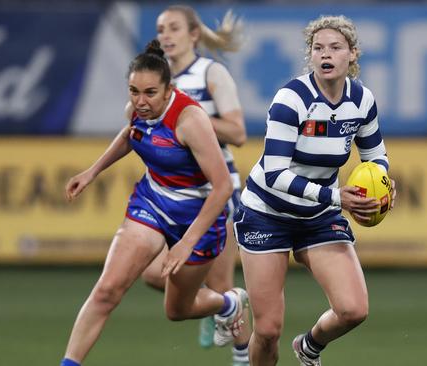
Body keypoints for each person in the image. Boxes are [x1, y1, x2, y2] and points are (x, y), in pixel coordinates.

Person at [59, 40, 250, 366]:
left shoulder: (190, 120)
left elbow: (221, 189)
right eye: (134, 91)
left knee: (177, 311)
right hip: (152, 204)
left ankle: (228, 304)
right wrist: (93, 171)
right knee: (106, 291)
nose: (140, 101)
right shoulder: (136, 111)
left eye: (149, 93)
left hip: (199, 220)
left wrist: (185, 244)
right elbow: (130, 134)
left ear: (168, 90)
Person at [234, 15, 395, 366]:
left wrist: (382, 183)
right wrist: (337, 197)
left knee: (353, 309)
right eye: (318, 47)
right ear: (310, 55)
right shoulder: (291, 99)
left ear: (352, 55)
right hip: (267, 213)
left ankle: (308, 346)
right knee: (268, 329)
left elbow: (375, 155)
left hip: (317, 215)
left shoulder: (361, 100)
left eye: (335, 48)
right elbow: (275, 173)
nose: (326, 54)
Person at [139, 5, 250, 364]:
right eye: (160, 28)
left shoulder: (211, 73)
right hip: (175, 193)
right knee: (154, 274)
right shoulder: (158, 79)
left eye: (173, 28)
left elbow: (238, 132)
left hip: (215, 191)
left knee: (221, 285)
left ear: (194, 35)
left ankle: (242, 355)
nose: (165, 35)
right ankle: (208, 307)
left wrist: (188, 115)